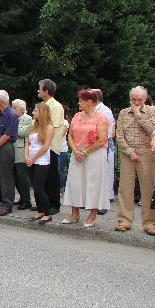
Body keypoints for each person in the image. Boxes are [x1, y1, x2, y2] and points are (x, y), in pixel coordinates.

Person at [62, 89, 110, 228]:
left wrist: (85, 152)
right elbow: (70, 135)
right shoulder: (77, 116)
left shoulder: (101, 117)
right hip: (77, 152)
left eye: (81, 101)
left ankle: (92, 214)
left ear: (89, 102)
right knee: (74, 181)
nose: (78, 103)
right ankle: (74, 213)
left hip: (94, 153)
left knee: (93, 183)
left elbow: (102, 140)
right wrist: (76, 151)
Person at [115, 86, 155, 236]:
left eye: (140, 99)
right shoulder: (123, 113)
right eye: (134, 99)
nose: (137, 102)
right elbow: (119, 136)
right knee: (125, 188)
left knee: (148, 189)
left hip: (146, 152)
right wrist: (129, 151)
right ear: (130, 99)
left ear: (145, 99)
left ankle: (150, 223)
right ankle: (125, 221)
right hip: (128, 153)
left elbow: (152, 130)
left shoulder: (152, 111)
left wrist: (138, 115)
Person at [37, 79, 65, 215]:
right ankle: (44, 203)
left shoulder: (55, 106)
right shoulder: (44, 105)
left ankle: (54, 204)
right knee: (44, 176)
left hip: (51, 146)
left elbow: (51, 126)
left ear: (46, 91)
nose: (38, 90)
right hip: (43, 145)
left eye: (39, 88)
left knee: (52, 175)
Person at [25, 103, 55, 224]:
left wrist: (34, 158)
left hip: (41, 160)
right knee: (34, 186)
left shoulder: (49, 127)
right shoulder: (33, 126)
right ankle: (40, 210)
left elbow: (45, 146)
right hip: (31, 159)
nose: (33, 113)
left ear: (42, 112)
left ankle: (47, 213)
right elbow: (28, 143)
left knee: (39, 187)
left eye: (36, 111)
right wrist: (27, 156)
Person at [92, 88, 116, 208]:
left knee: (106, 171)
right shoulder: (94, 110)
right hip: (95, 145)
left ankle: (106, 197)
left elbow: (108, 132)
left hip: (103, 144)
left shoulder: (104, 111)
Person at [11, 99, 33, 210]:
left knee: (22, 176)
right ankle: (22, 197)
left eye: (14, 107)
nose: (12, 109)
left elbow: (22, 133)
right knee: (15, 176)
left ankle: (26, 200)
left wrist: (13, 124)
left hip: (21, 150)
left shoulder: (28, 119)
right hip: (12, 150)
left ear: (21, 109)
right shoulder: (15, 118)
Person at [58, 106, 71, 195]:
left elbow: (60, 135)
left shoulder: (65, 122)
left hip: (61, 150)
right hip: (54, 149)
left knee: (61, 170)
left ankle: (62, 188)